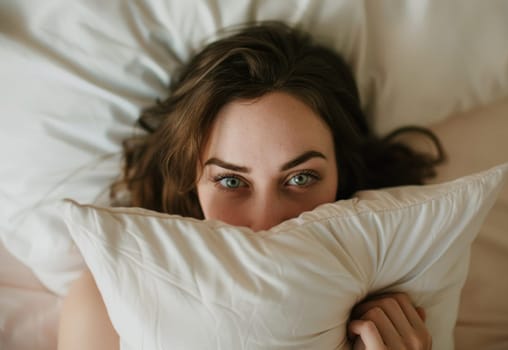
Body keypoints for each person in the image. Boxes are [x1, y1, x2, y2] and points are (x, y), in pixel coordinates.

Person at [58, 22, 443, 349]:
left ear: (342, 171)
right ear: (190, 179)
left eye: (300, 178)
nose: (266, 222)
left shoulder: (396, 305)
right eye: (231, 180)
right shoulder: (107, 300)